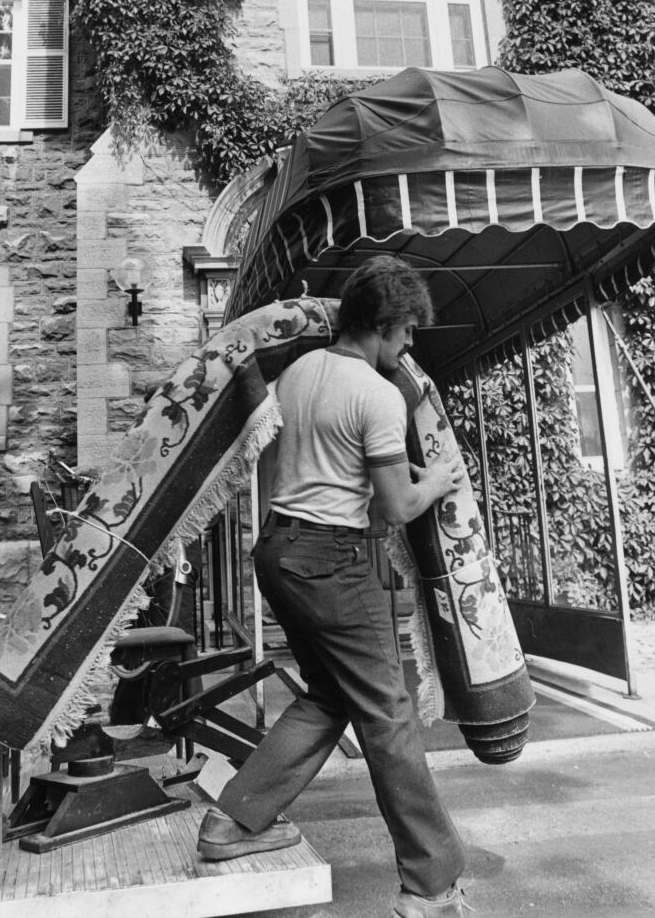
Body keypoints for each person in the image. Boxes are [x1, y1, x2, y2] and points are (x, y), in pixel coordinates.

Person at [197, 256, 468, 917]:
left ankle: (231, 821)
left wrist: (395, 473)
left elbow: (335, 460)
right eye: (406, 335)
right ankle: (431, 887)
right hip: (334, 563)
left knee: (327, 696)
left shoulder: (300, 371)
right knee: (391, 717)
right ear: (386, 324)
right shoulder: (376, 395)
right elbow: (400, 506)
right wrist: (441, 478)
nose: (408, 350)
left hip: (279, 551)